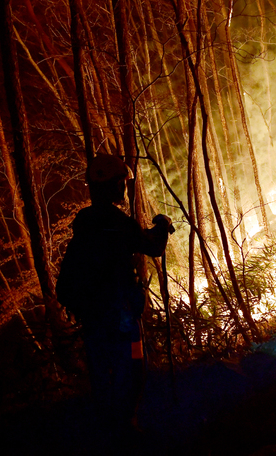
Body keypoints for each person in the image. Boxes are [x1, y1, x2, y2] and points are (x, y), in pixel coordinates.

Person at [56, 153, 172, 431]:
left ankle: (109, 431)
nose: (124, 186)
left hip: (95, 324)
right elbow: (152, 245)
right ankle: (128, 429)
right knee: (133, 370)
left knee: (103, 377)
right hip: (122, 321)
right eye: (121, 181)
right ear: (108, 184)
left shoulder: (88, 226)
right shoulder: (115, 222)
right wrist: (164, 226)